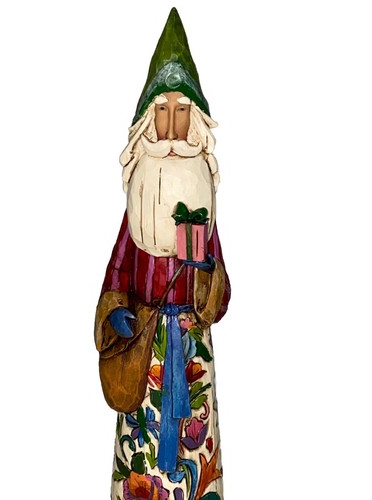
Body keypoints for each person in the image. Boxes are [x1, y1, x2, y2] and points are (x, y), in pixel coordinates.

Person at [94, 8, 231, 499]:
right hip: (145, 343)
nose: (172, 126)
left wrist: (206, 274)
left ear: (195, 120)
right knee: (143, 447)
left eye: (182, 110)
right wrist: (115, 314)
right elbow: (117, 273)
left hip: (190, 346)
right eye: (163, 110)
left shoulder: (202, 202)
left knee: (193, 444)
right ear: (148, 119)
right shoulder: (137, 202)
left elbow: (222, 295)